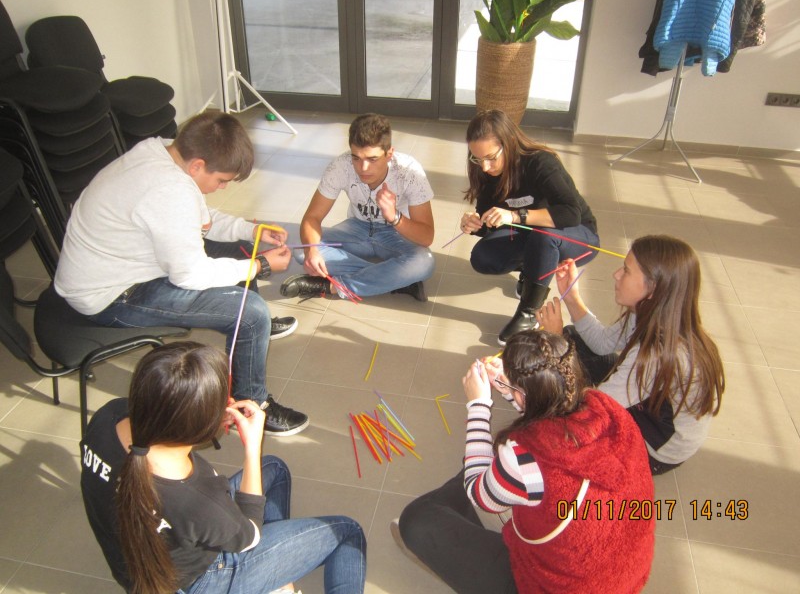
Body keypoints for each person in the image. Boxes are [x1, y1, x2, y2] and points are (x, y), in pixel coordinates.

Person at [54, 110, 308, 436]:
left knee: (243, 248)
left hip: (116, 268)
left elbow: (200, 219)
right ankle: (251, 407)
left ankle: (253, 334)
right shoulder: (169, 190)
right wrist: (262, 266)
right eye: (221, 180)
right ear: (197, 166)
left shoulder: (164, 151)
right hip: (110, 295)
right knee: (251, 311)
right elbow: (190, 275)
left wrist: (251, 229)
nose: (221, 187)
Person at [80, 342, 366, 594]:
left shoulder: (109, 415)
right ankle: (264, 576)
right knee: (348, 532)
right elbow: (250, 536)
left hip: (143, 571)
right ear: (202, 425)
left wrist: (206, 416)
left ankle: (273, 581)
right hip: (198, 582)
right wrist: (252, 446)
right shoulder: (196, 496)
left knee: (274, 469)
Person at [395, 330, 655, 594]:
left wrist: (478, 405)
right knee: (488, 467)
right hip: (624, 573)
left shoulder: (526, 457)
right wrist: (512, 388)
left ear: (526, 392)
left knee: (417, 520)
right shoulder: (607, 409)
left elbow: (479, 494)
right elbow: (552, 419)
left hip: (558, 587)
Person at [538, 234, 725, 475]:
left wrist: (556, 347)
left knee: (557, 423)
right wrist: (571, 296)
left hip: (655, 450)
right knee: (573, 337)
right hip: (648, 405)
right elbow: (602, 343)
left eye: (626, 271)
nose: (616, 274)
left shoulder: (658, 353)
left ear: (653, 288)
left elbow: (591, 408)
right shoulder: (651, 313)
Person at [459, 109, 600, 345]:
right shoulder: (486, 170)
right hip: (533, 234)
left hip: (579, 235)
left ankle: (528, 312)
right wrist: (476, 224)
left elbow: (570, 213)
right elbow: (490, 221)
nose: (484, 167)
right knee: (483, 257)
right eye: (477, 159)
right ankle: (533, 270)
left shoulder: (541, 162)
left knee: (545, 236)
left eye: (491, 158)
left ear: (508, 144)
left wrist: (515, 216)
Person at [279, 113, 435, 302]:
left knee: (424, 262)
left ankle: (332, 286)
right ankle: (396, 280)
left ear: (389, 154)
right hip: (357, 228)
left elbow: (426, 236)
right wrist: (311, 251)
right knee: (302, 249)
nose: (363, 168)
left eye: (372, 159)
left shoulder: (409, 172)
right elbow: (313, 217)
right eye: (356, 158)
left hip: (395, 233)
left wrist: (394, 216)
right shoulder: (340, 166)